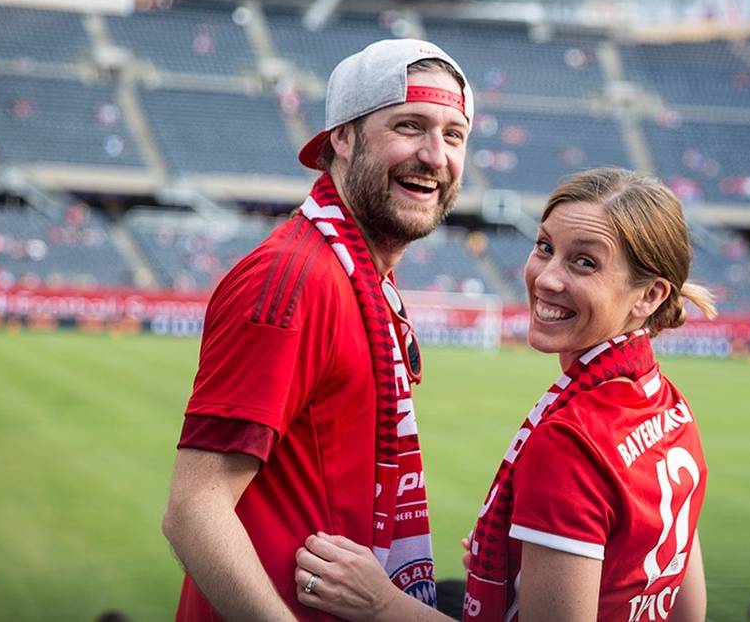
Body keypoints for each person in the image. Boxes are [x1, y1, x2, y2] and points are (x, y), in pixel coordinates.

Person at [293, 167, 716, 621]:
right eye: (545, 247)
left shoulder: (572, 443)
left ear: (649, 296)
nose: (547, 278)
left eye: (585, 262)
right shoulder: (670, 405)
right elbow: (687, 611)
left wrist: (380, 604)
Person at [161, 38, 475, 621]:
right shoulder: (295, 278)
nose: (435, 155)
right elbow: (195, 509)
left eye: (453, 135)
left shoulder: (360, 278)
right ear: (343, 137)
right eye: (410, 126)